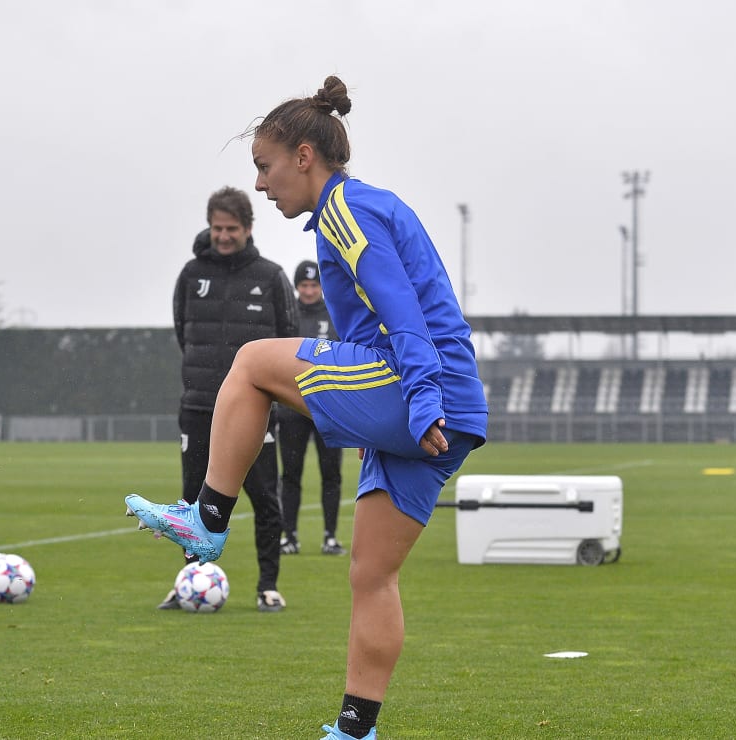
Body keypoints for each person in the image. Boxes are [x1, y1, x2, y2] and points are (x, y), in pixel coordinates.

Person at [126, 77, 487, 739]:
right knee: (371, 575)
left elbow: (401, 309)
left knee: (252, 363)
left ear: (302, 156)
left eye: (264, 167)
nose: (261, 185)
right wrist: (385, 412)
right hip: (451, 406)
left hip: (420, 387)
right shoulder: (354, 210)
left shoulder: (347, 208)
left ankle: (207, 518)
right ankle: (355, 729)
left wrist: (418, 400)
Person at [161, 185, 299, 613]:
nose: (223, 236)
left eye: (231, 228)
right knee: (192, 501)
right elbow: (184, 333)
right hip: (200, 405)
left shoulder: (272, 276)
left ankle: (268, 586)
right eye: (217, 228)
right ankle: (191, 584)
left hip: (255, 412)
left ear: (249, 228)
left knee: (265, 499)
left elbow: (289, 340)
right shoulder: (189, 275)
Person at [277, 259, 346, 557]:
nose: (308, 291)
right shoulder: (286, 315)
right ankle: (288, 536)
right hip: (292, 409)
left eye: (313, 285)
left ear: (321, 286)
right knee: (290, 475)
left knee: (331, 474)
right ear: (296, 287)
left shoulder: (335, 314)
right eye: (303, 285)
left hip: (328, 409)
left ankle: (330, 537)